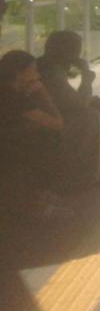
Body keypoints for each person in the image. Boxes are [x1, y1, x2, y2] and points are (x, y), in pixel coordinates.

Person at [37, 31, 100, 190]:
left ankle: (97, 171)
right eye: (76, 50)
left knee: (94, 112)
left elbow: (69, 100)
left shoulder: (44, 65)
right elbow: (79, 104)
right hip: (46, 121)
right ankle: (86, 175)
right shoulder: (52, 72)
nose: (77, 55)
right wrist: (87, 80)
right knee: (90, 117)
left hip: (49, 114)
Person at [0, 50, 70, 220]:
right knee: (51, 139)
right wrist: (42, 92)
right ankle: (37, 202)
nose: (37, 74)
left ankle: (39, 196)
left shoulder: (9, 92)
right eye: (33, 69)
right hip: (8, 148)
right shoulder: (13, 97)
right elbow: (57, 123)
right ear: (19, 73)